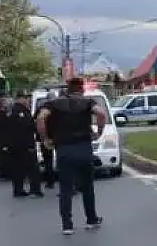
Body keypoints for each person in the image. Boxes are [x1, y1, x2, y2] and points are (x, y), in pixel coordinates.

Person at [36, 78, 106, 234]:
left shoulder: (54, 104)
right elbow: (100, 113)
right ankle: (91, 219)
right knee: (87, 186)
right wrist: (98, 132)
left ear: (67, 89)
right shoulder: (87, 102)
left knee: (66, 188)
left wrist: (45, 138)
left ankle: (67, 225)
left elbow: (41, 118)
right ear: (81, 89)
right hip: (84, 147)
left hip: (64, 150)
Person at [1, 92, 43, 197]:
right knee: (33, 168)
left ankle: (18, 190)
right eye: (26, 98)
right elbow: (26, 126)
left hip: (14, 145)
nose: (27, 100)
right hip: (25, 144)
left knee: (17, 169)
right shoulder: (20, 111)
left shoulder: (12, 110)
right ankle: (35, 190)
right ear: (20, 98)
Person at [34, 97, 56, 189]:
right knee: (63, 160)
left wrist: (42, 137)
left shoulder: (40, 108)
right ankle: (65, 181)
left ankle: (50, 181)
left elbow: (35, 121)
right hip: (57, 137)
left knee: (47, 160)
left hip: (46, 138)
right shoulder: (58, 108)